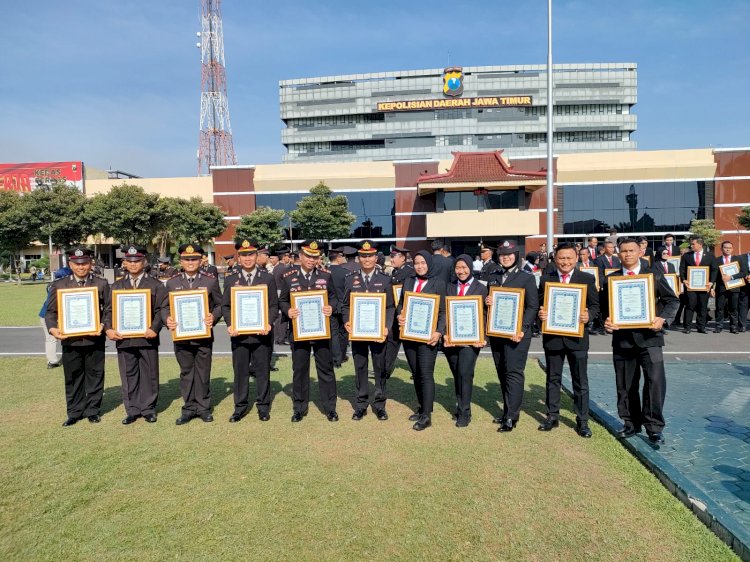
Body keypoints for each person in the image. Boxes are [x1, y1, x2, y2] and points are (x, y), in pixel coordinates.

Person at [603, 238, 679, 445]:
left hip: (650, 339)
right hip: (622, 340)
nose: (627, 254)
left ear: (640, 253)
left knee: (655, 383)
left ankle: (654, 427)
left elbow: (671, 300)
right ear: (619, 254)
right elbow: (604, 309)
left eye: (631, 251)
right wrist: (606, 321)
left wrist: (662, 319)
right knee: (626, 384)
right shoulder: (611, 279)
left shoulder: (653, 274)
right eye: (624, 251)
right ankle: (630, 423)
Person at [537, 242, 598, 438]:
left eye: (569, 258)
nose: (565, 261)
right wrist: (542, 313)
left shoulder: (587, 279)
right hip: (553, 337)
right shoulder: (546, 279)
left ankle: (582, 421)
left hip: (578, 338)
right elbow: (539, 303)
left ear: (576, 258)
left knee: (580, 381)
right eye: (561, 258)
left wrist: (589, 316)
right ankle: (552, 416)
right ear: (555, 259)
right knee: (552, 378)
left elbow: (596, 306)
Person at [45, 248, 110, 426]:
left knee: (95, 375)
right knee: (73, 376)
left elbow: (109, 310)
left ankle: (93, 411)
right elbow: (50, 312)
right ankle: (74, 412)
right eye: (77, 264)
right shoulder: (59, 285)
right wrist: (53, 329)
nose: (81, 267)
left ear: (90, 264)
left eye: (85, 263)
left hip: (94, 338)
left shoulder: (101, 284)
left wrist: (104, 325)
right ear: (70, 265)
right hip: (70, 340)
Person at [104, 245, 167, 425]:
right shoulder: (116, 286)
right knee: (128, 373)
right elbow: (108, 310)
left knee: (149, 373)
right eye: (130, 261)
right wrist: (108, 328)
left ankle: (148, 408)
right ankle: (132, 409)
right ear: (124, 263)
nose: (133, 264)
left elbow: (161, 309)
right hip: (123, 339)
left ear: (144, 262)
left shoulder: (155, 285)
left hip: (147, 337)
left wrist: (155, 328)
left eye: (137, 261)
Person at [278, 240, 339, 422]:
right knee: (300, 371)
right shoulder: (289, 276)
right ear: (300, 256)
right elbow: (282, 300)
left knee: (326, 370)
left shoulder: (326, 275)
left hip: (321, 331)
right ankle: (299, 408)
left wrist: (331, 308)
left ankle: (330, 408)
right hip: (298, 332)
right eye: (308, 256)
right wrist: (287, 310)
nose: (311, 260)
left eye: (315, 257)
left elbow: (335, 297)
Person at [164, 244, 223, 425]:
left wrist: (213, 316)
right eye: (187, 259)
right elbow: (164, 307)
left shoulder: (210, 281)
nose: (191, 262)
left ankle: (204, 408)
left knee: (203, 372)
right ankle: (189, 408)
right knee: (186, 373)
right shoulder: (172, 282)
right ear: (181, 261)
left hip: (203, 335)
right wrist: (167, 319)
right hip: (181, 337)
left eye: (194, 259)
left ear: (201, 260)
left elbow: (220, 305)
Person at [221, 239, 278, 422]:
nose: (247, 258)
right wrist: (231, 324)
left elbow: (273, 305)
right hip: (239, 335)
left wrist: (268, 322)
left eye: (251, 254)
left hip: (262, 334)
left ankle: (263, 407)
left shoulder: (267, 278)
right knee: (240, 372)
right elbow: (226, 306)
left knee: (262, 371)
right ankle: (240, 407)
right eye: (244, 255)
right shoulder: (231, 279)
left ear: (257, 256)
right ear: (239, 257)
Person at [485, 240, 539, 432]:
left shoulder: (526, 278)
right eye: (502, 254)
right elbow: (488, 304)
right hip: (498, 332)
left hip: (517, 334)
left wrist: (522, 328)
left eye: (509, 254)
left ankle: (512, 417)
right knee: (502, 371)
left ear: (516, 255)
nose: (505, 257)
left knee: (514, 373)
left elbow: (533, 306)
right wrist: (488, 300)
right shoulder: (493, 276)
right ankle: (507, 410)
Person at [342, 240, 395, 421]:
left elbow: (390, 307)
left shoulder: (385, 279)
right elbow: (345, 305)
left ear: (376, 257)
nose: (366, 259)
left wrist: (386, 327)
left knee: (380, 368)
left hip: (378, 333)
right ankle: (361, 405)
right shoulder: (350, 279)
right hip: (358, 332)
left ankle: (380, 405)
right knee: (360, 367)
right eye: (363, 256)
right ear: (359, 257)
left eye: (370, 255)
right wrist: (346, 321)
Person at [396, 250, 446, 431]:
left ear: (429, 264)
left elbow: (443, 311)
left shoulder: (439, 283)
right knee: (416, 373)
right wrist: (399, 316)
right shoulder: (408, 281)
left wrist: (439, 332)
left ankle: (427, 416)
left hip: (428, 338)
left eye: (423, 263)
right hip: (410, 335)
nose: (419, 266)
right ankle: (421, 407)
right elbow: (401, 303)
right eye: (416, 263)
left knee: (425, 374)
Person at [443, 254, 487, 427]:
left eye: (464, 268)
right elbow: (444, 313)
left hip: (471, 341)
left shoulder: (481, 288)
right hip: (451, 340)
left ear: (470, 268)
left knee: (465, 373)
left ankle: (465, 413)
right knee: (457, 374)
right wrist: (445, 333)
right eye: (458, 268)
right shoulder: (449, 287)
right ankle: (460, 406)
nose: (461, 271)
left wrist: (483, 337)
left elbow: (484, 315)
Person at [384, 246, 414, 378]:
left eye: (393, 257)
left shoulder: (408, 272)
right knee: (392, 341)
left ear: (402, 258)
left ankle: (417, 371)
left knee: (410, 346)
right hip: (396, 313)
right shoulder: (397, 271)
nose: (391, 259)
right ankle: (385, 370)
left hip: (405, 314)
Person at [679, 236, 717, 334]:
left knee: (703, 306)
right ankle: (687, 327)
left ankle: (701, 327)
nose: (691, 246)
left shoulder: (710, 256)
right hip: (690, 286)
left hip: (705, 286)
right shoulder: (687, 256)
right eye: (691, 244)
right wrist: (684, 280)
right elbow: (682, 269)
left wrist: (711, 282)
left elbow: (714, 269)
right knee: (690, 305)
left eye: (693, 244)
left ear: (700, 244)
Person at [714, 241, 746, 334]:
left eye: (730, 248)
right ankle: (718, 326)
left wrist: (731, 277)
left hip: (734, 287)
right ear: (721, 249)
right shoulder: (717, 260)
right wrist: (712, 287)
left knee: (734, 308)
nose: (728, 249)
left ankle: (733, 327)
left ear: (732, 249)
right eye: (725, 247)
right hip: (721, 288)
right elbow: (714, 275)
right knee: (719, 308)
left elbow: (744, 273)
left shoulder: (738, 259)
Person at [39, 269, 69, 369]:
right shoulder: (57, 287)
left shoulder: (53, 285)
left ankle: (57, 360)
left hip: (50, 315)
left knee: (53, 338)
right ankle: (52, 361)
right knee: (51, 338)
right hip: (48, 316)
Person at [327, 248, 349, 368]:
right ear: (339, 258)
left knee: (333, 333)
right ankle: (342, 355)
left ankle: (336, 359)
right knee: (343, 333)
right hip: (344, 306)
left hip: (331, 306)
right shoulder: (345, 272)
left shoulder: (325, 271)